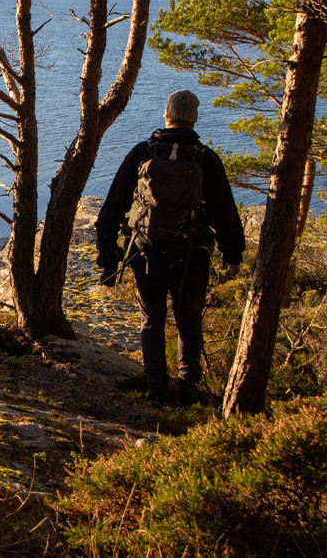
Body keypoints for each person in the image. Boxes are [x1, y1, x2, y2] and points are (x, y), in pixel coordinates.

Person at [95, 89, 246, 406]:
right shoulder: (205, 159)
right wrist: (233, 254)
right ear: (194, 119)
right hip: (191, 255)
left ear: (167, 115)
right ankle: (187, 391)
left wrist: (107, 252)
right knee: (188, 321)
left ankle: (155, 388)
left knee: (152, 318)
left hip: (145, 251)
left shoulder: (143, 152)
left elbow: (113, 205)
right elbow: (224, 213)